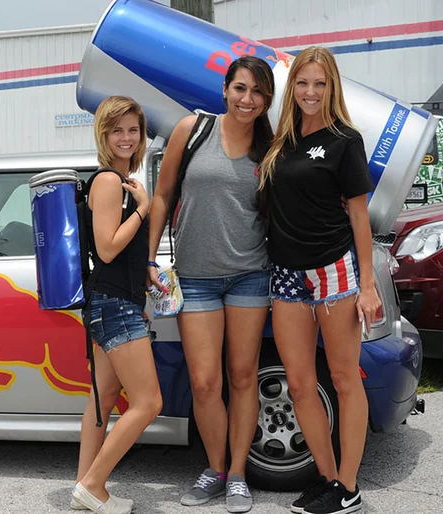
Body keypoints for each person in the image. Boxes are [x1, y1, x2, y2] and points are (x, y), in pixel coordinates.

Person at [146, 55, 276, 513]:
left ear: (267, 100)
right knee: (204, 382)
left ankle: (238, 474)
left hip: (250, 276)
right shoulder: (192, 129)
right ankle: (215, 469)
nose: (248, 99)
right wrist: (149, 256)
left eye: (258, 92)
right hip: (195, 279)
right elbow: (163, 195)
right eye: (241, 88)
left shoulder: (271, 147)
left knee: (243, 377)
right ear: (225, 90)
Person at [259, 46, 380, 514]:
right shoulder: (280, 140)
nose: (311, 92)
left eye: (320, 83)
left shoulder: (345, 140)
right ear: (294, 88)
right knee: (300, 382)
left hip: (334, 272)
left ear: (332, 87)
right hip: (285, 275)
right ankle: (327, 479)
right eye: (303, 83)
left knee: (345, 379)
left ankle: (349, 486)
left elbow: (359, 217)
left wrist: (366, 285)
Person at [71, 96, 163, 514]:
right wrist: (144, 209)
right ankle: (93, 485)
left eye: (133, 130)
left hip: (112, 302)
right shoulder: (108, 181)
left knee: (104, 397)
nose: (127, 137)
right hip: (113, 306)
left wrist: (143, 272)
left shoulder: (123, 181)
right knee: (148, 403)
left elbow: (120, 254)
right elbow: (107, 248)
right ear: (104, 135)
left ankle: (83, 487)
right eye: (117, 130)